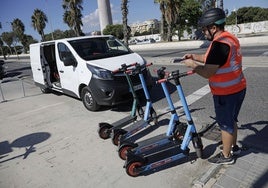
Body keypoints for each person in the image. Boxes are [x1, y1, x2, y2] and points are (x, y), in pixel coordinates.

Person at [181, 8, 246, 165]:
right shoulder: (229, 39)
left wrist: (193, 65)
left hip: (226, 92)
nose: (203, 32)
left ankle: (226, 156)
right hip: (239, 88)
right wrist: (194, 56)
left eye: (205, 28)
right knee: (232, 120)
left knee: (225, 124)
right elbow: (210, 58)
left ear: (214, 28)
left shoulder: (219, 45)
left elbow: (208, 72)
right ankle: (233, 147)